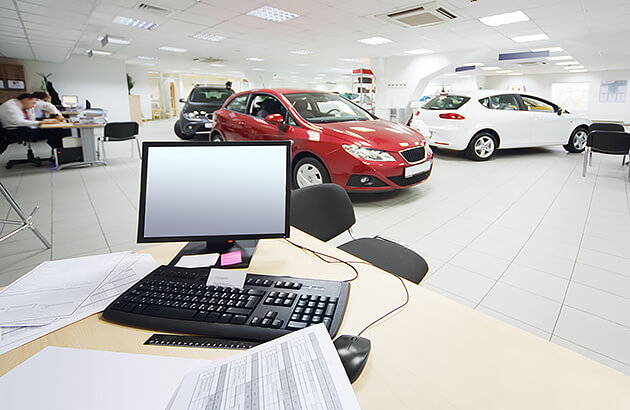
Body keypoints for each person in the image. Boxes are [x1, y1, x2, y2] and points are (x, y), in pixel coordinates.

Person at [0, 93, 67, 154]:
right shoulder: (11, 107)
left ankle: (58, 153)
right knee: (55, 133)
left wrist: (58, 114)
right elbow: (19, 122)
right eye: (33, 103)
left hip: (25, 127)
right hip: (15, 131)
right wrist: (42, 122)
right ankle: (60, 154)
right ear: (26, 100)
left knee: (57, 130)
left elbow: (46, 105)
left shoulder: (22, 103)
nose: (34, 106)